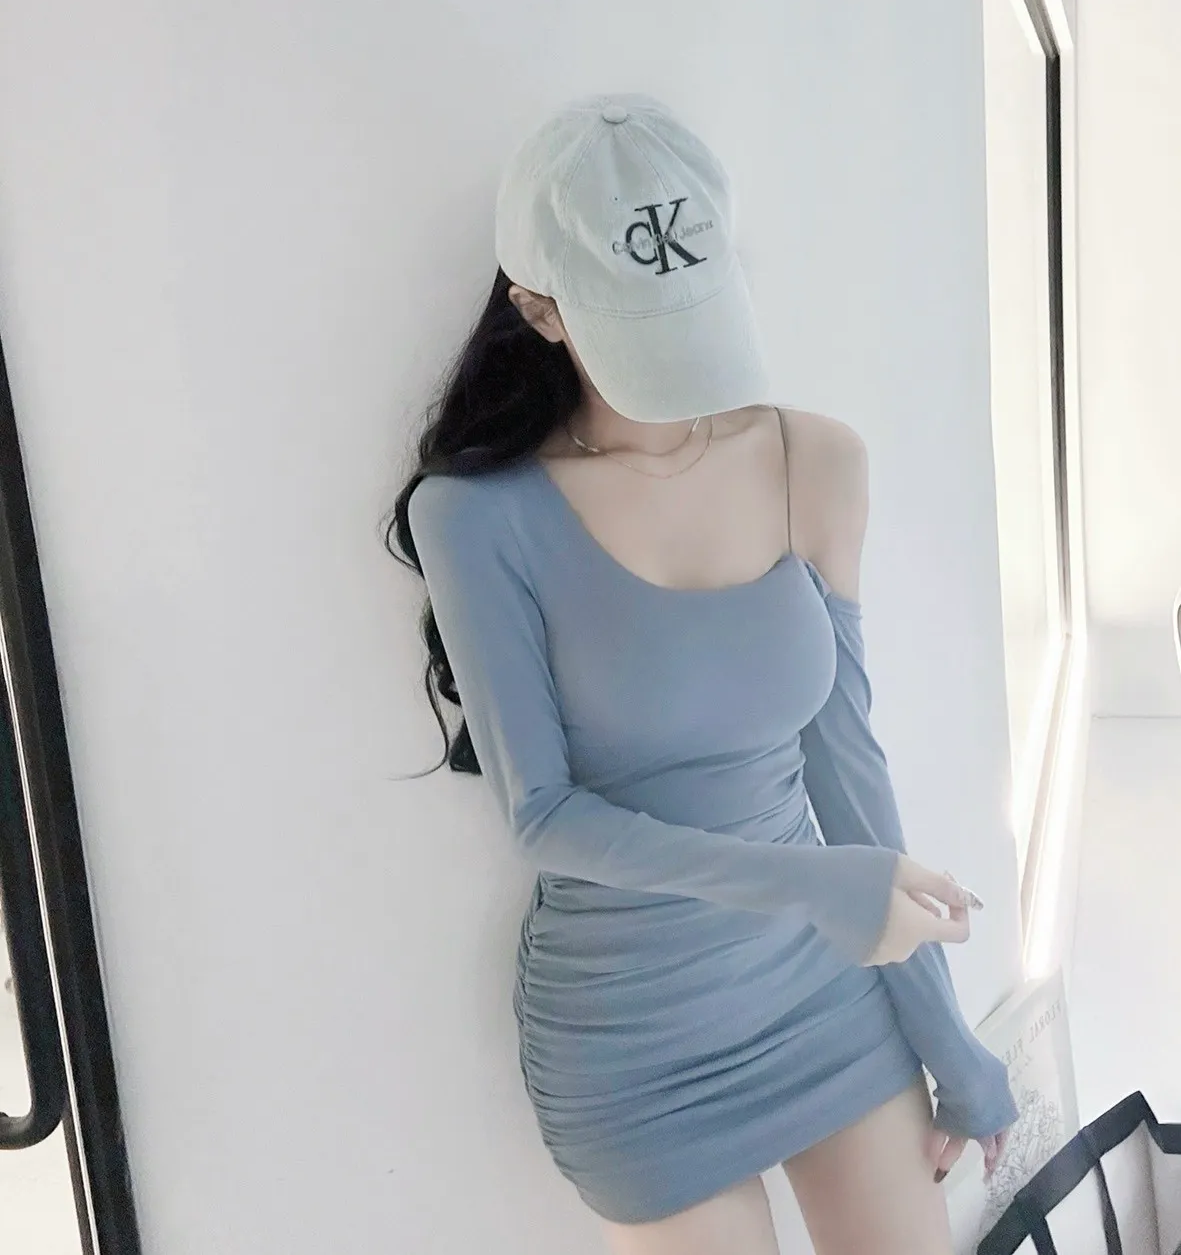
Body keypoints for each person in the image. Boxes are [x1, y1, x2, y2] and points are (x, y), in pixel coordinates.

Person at [385, 92, 1018, 1254]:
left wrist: (949, 1039)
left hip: (822, 990)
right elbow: (542, 815)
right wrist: (822, 885)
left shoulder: (811, 457)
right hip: (636, 1039)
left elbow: (849, 770)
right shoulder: (475, 515)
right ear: (537, 309)